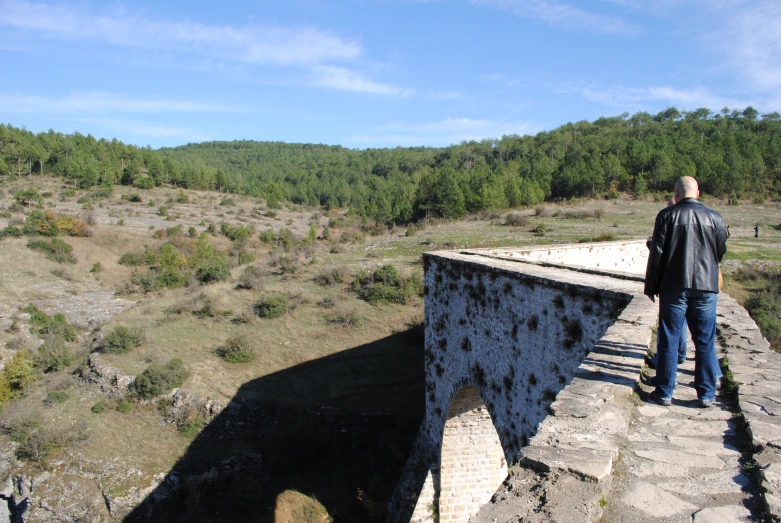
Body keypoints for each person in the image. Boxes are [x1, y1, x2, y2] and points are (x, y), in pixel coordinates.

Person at [644, 176, 728, 408]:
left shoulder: (666, 215)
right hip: (705, 287)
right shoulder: (715, 217)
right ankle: (706, 394)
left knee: (669, 339)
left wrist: (651, 286)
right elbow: (720, 251)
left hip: (673, 286)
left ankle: (664, 392)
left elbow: (657, 253)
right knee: (704, 341)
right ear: (698, 193)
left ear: (677, 194)